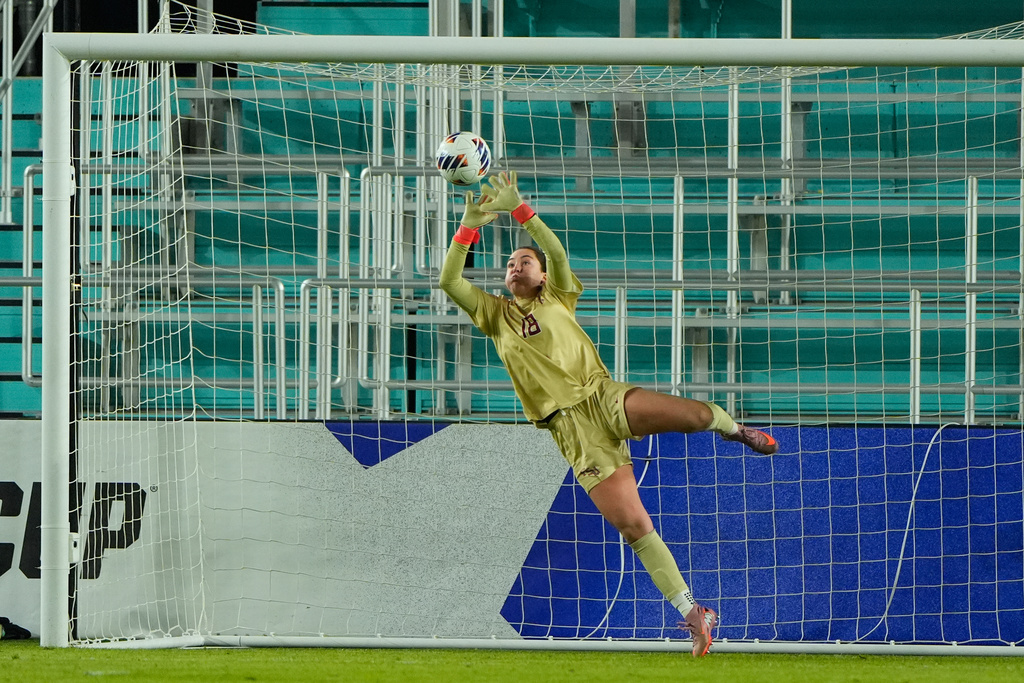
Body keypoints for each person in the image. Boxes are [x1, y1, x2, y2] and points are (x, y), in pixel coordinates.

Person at [439, 170, 778, 658]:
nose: (517, 266)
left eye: (525, 261)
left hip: (602, 396)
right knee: (634, 527)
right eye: (511, 263)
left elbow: (556, 252)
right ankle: (693, 612)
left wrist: (520, 211)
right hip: (571, 431)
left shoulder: (558, 294)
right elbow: (449, 280)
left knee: (698, 415)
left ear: (541, 276)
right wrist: (468, 225)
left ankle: (736, 430)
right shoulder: (494, 315)